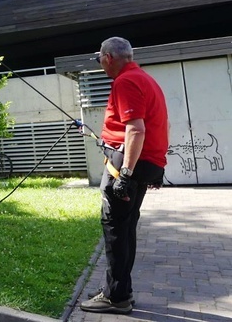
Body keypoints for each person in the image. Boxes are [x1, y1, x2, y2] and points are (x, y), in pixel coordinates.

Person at [80, 37, 168, 315]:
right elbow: (161, 124)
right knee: (126, 229)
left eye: (100, 60)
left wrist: (125, 174)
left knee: (116, 230)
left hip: (127, 167)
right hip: (145, 164)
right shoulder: (146, 79)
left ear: (108, 57)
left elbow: (136, 130)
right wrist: (157, 166)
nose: (101, 65)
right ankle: (119, 290)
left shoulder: (126, 82)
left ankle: (116, 298)